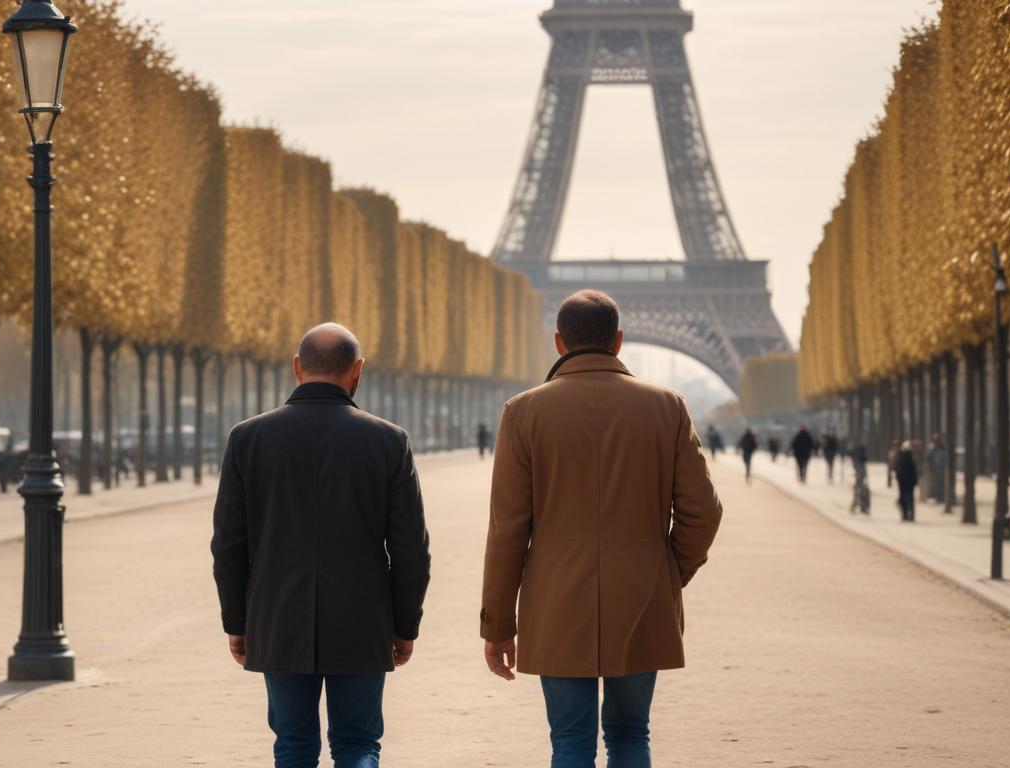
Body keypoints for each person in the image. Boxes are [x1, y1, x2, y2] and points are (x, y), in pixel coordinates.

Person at [481, 290, 723, 767]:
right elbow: (703, 512)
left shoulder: (522, 412)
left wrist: (499, 625)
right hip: (642, 590)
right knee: (631, 735)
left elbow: (507, 530)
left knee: (570, 743)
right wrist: (668, 571)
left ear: (559, 342)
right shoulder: (667, 407)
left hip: (556, 598)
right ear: (618, 341)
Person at [211, 323, 431, 768]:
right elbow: (410, 549)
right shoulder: (389, 441)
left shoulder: (247, 439)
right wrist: (404, 624)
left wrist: (238, 621)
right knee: (358, 744)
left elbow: (229, 545)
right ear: (358, 370)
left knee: (293, 745)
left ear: (297, 367)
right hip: (362, 619)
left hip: (278, 617)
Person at [895, 441, 918, 522]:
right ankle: (908, 514)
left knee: (905, 498)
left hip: (904, 483)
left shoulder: (902, 461)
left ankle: (906, 514)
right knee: (908, 498)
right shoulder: (909, 461)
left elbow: (898, 472)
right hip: (907, 483)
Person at [849, 442, 870, 515]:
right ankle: (862, 506)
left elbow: (860, 470)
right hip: (860, 477)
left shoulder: (856, 457)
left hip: (860, 478)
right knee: (860, 491)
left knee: (859, 491)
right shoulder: (860, 457)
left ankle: (858, 506)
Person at [927, 434, 947, 502]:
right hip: (934, 470)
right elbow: (929, 458)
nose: (936, 441)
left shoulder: (943, 448)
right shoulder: (931, 449)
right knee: (935, 484)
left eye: (937, 440)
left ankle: (941, 497)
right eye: (935, 440)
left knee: (941, 484)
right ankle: (936, 497)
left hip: (942, 470)